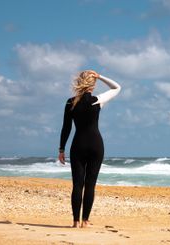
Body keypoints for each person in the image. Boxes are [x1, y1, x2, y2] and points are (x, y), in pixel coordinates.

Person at [58, 70, 121, 228]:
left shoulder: (70, 102)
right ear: (92, 85)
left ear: (79, 83)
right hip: (96, 145)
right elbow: (117, 87)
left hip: (77, 145)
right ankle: (85, 221)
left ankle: (75, 222)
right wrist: (100, 76)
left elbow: (66, 128)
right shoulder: (97, 100)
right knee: (90, 184)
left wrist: (61, 149)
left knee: (77, 184)